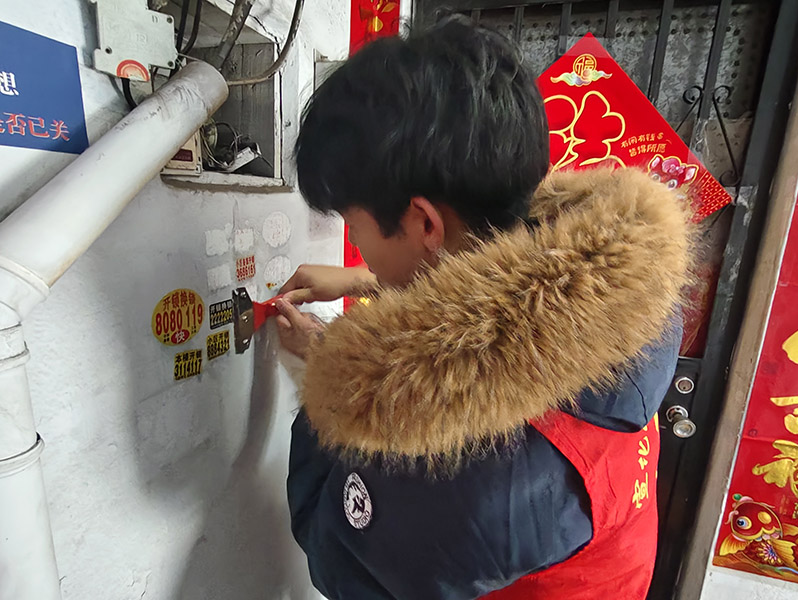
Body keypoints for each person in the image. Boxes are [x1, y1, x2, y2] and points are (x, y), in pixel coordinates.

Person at [274, 16, 690, 600]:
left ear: (425, 223)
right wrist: (369, 279)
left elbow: (336, 557)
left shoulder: (469, 477)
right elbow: (500, 287)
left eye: (353, 224)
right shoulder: (626, 300)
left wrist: (327, 381)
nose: (355, 242)